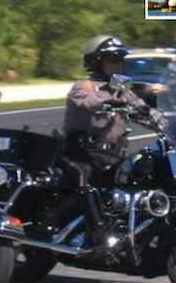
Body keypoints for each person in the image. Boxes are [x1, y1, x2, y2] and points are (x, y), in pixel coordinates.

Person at [62, 35, 163, 249]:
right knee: (84, 179)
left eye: (120, 60)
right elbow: (87, 101)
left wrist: (170, 121)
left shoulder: (121, 88)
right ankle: (97, 236)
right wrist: (109, 102)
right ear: (96, 61)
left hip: (113, 156)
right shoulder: (84, 85)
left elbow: (142, 108)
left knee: (144, 174)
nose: (118, 64)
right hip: (82, 153)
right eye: (112, 60)